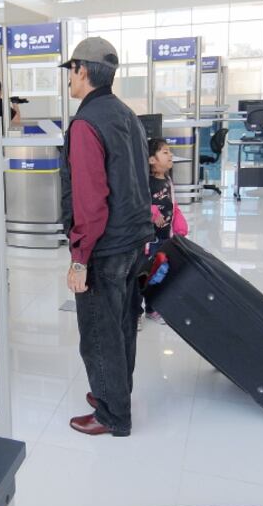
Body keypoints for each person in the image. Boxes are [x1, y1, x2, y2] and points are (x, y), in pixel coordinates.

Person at [60, 37, 153, 437]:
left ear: (83, 70)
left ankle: (113, 415)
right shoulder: (126, 114)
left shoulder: (85, 124)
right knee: (121, 326)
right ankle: (114, 393)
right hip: (133, 240)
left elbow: (90, 200)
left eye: (71, 71)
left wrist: (80, 258)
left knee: (99, 334)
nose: (69, 79)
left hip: (104, 247)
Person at [141, 138, 188, 326]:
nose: (170, 155)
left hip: (163, 239)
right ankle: (135, 312)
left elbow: (173, 205)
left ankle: (152, 309)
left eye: (170, 152)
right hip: (147, 242)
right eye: (165, 152)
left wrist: (179, 223)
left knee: (159, 275)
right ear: (152, 160)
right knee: (142, 277)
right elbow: (138, 203)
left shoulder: (168, 180)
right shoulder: (146, 182)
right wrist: (151, 211)